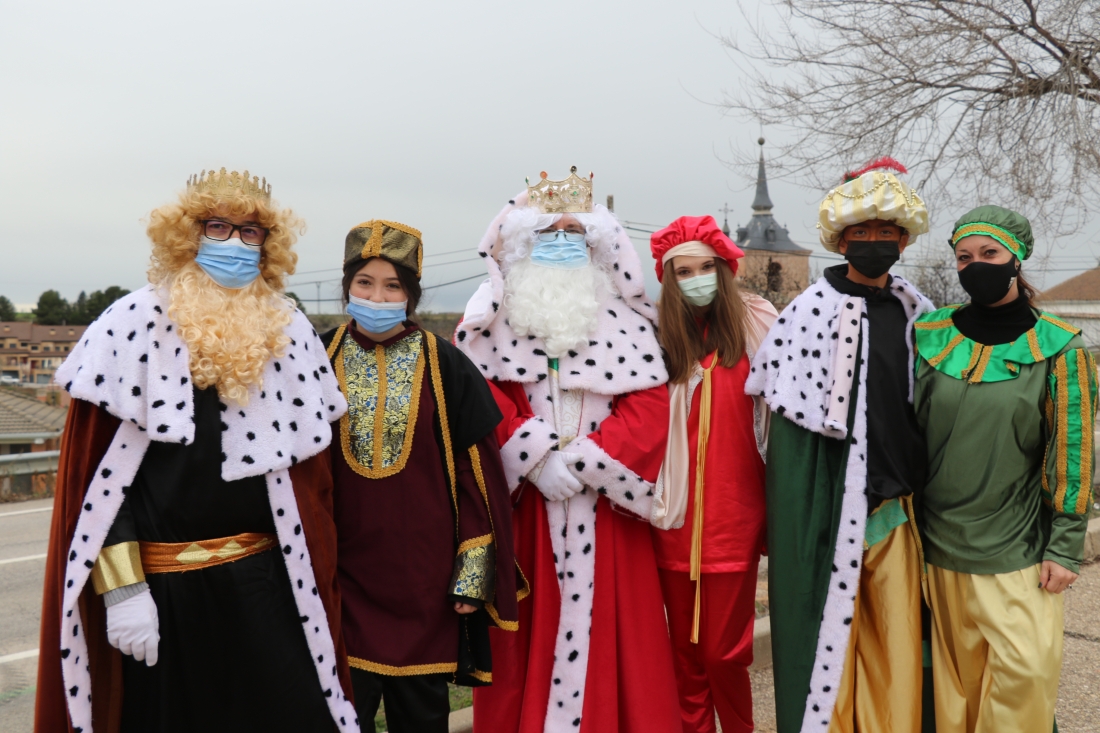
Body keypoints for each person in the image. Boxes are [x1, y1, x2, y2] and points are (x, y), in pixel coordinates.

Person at [35, 168, 358, 733]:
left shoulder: (289, 331)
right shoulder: (130, 324)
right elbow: (96, 488)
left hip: (267, 586)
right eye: (218, 227)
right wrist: (124, 590)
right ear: (188, 235)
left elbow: (316, 488)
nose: (234, 244)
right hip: (162, 593)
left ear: (269, 246)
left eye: (250, 232)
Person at [460, 169, 682, 732]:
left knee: (621, 638)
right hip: (528, 515)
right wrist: (534, 455)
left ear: (596, 244)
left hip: (608, 515)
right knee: (526, 638)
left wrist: (585, 462)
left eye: (574, 234)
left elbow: (652, 404)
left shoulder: (629, 321)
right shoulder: (492, 320)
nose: (562, 244)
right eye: (548, 233)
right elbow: (483, 397)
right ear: (523, 244)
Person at [746, 158, 935, 733]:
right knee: (828, 642)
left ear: (903, 239)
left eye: (886, 234)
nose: (874, 243)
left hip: (898, 509)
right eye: (861, 234)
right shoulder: (805, 314)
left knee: (900, 644)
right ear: (842, 238)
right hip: (828, 506)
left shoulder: (918, 312)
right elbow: (776, 423)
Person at [321, 220, 520, 733]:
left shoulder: (447, 365)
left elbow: (480, 478)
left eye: (393, 286)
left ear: (410, 295)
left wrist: (472, 573)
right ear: (348, 287)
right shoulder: (313, 360)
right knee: (340, 713)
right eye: (365, 283)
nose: (377, 295)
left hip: (424, 583)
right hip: (339, 577)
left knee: (421, 717)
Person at [914, 205, 1095, 733]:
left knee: (1024, 678)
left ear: (1017, 258)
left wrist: (1065, 544)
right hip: (938, 550)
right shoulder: (928, 335)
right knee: (958, 694)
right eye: (964, 257)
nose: (977, 266)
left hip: (1017, 551)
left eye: (990, 254)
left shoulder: (1059, 347)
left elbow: (1073, 449)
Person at [648, 216, 777, 733]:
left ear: (724, 269)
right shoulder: (652, 337)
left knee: (726, 654)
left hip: (734, 518)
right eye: (683, 271)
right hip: (669, 522)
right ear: (668, 279)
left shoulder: (757, 326)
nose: (696, 278)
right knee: (684, 656)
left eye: (706, 268)